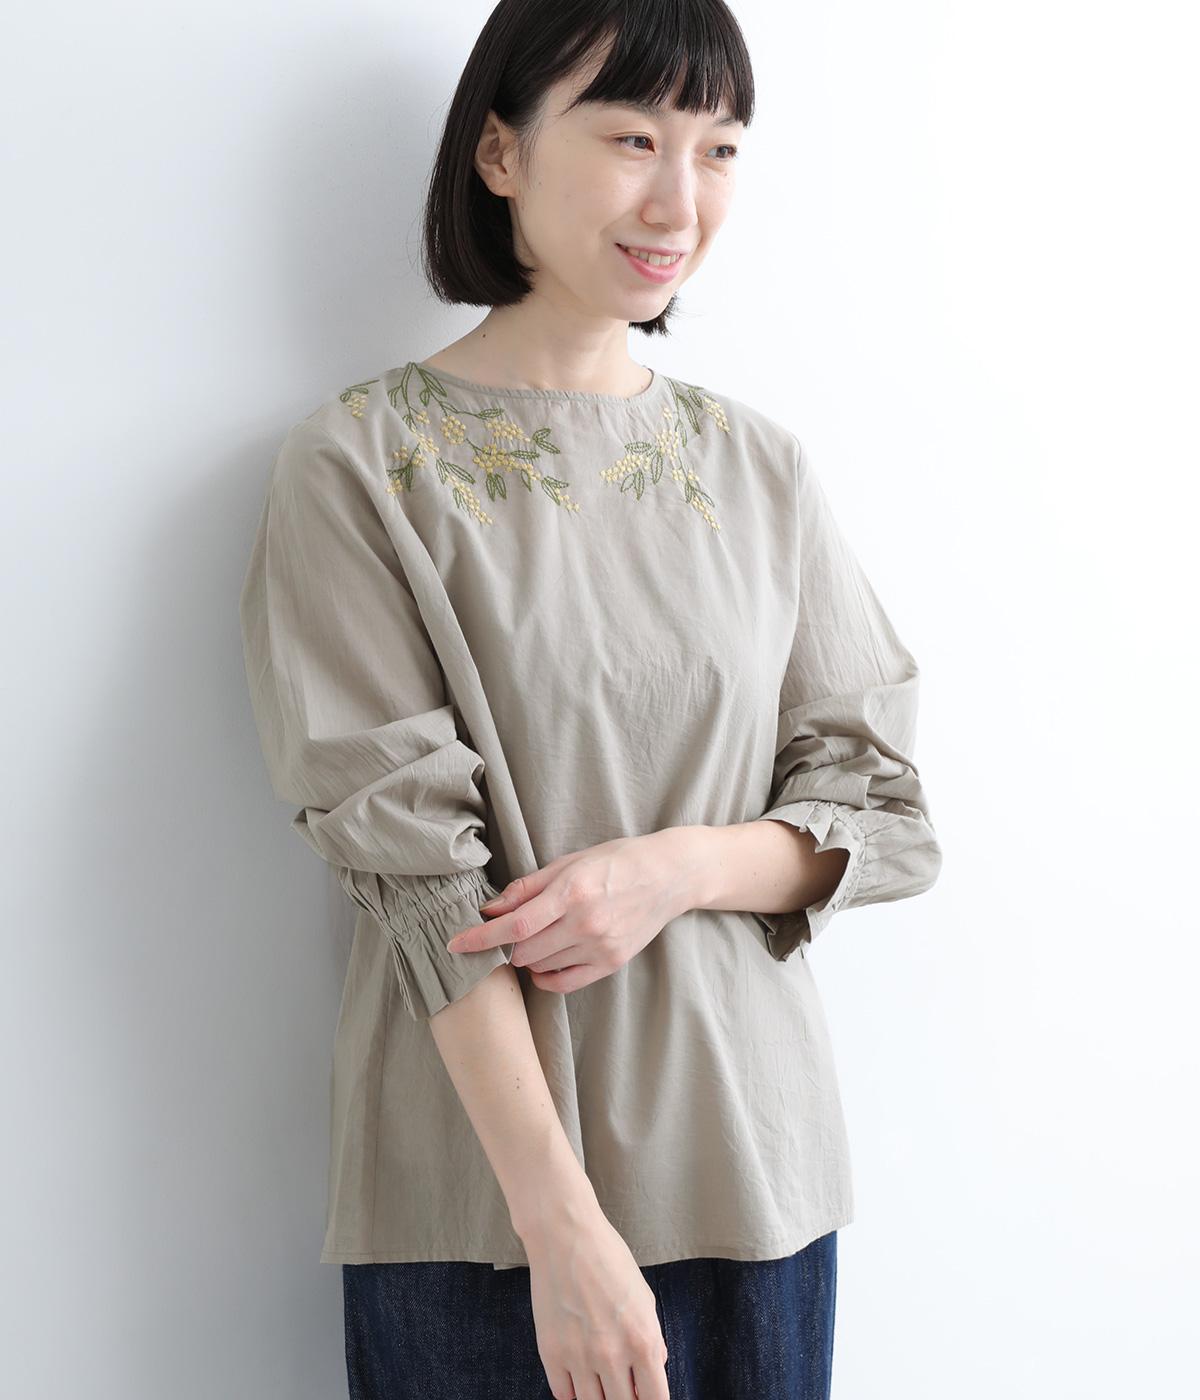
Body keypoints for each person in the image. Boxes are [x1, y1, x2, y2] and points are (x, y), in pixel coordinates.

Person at [237, 2, 943, 1397]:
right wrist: (560, 1226)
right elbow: (419, 885)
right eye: (631, 139)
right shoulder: (361, 465)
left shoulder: (759, 468)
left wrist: (672, 870)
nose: (679, 201)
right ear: (500, 153)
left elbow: (885, 814)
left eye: (718, 149)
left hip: (753, 1173)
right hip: (487, 1212)